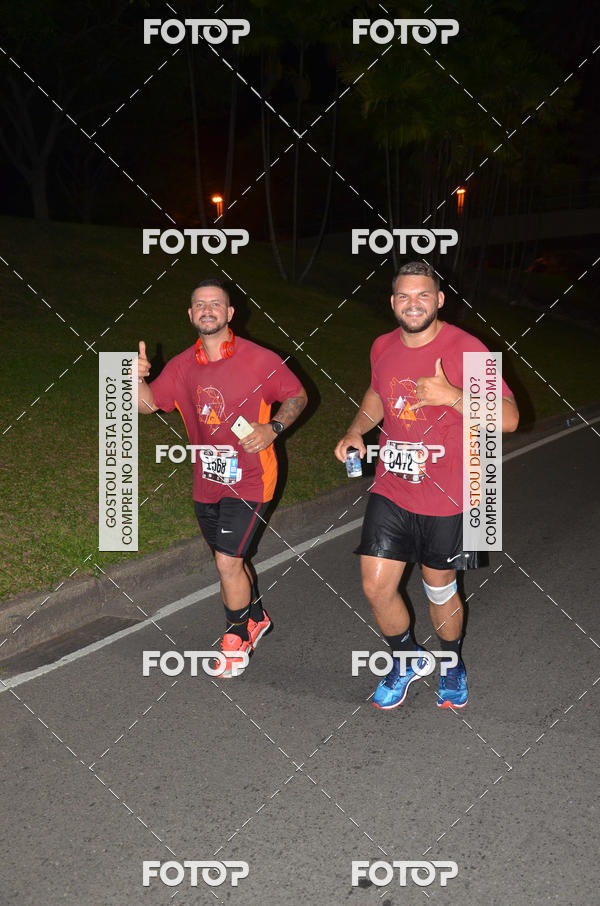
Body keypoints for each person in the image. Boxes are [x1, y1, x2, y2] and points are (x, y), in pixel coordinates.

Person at [335, 261, 518, 709]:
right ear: (392, 301)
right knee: (376, 585)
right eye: (403, 296)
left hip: (453, 491)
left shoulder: (466, 348)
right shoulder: (382, 345)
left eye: (422, 296)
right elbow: (378, 394)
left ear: (438, 300)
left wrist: (452, 396)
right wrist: (357, 429)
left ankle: (451, 662)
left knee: (440, 588)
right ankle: (405, 659)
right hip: (393, 487)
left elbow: (511, 419)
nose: (412, 304)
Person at [137, 279, 307, 676]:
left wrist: (274, 429)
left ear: (231, 314)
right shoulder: (182, 365)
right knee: (233, 559)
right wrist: (134, 378)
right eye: (199, 305)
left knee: (227, 561)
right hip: (207, 482)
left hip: (252, 478)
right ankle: (257, 615)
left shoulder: (260, 358)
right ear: (191, 314)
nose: (207, 310)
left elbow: (297, 395)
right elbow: (148, 406)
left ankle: (235, 640)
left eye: (216, 304)